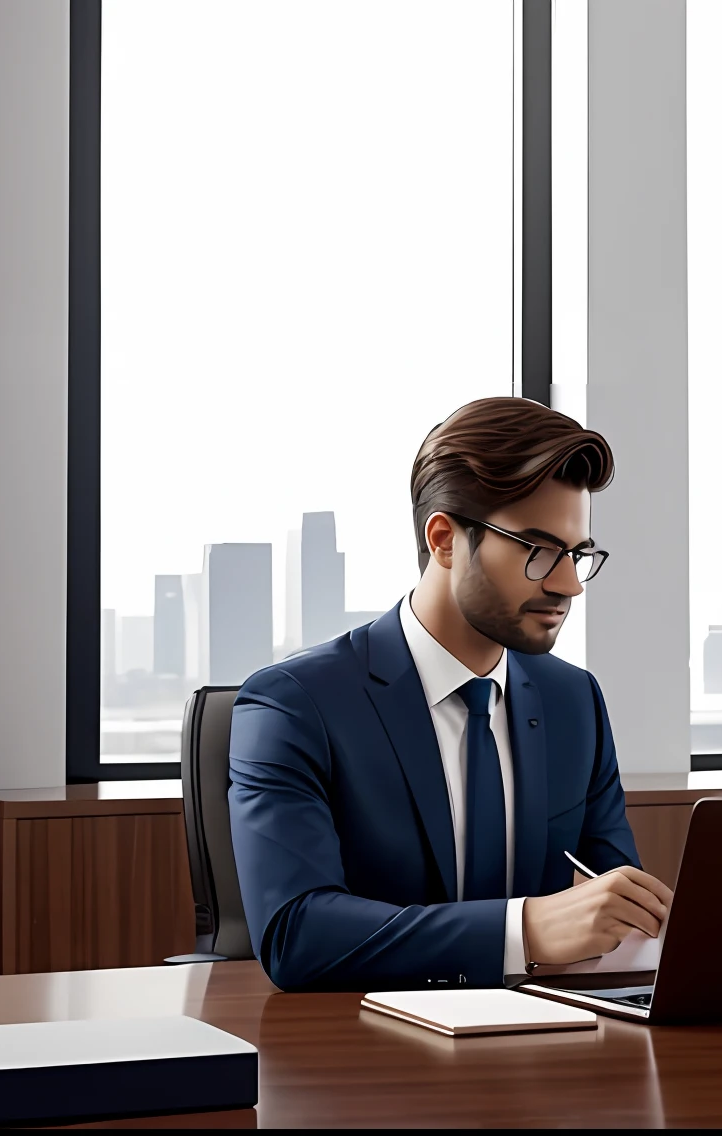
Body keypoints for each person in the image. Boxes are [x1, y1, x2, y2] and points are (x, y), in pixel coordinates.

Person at [228, 397, 674, 991]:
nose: (568, 584)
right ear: (444, 539)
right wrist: (525, 929)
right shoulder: (295, 705)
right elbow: (296, 935)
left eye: (577, 554)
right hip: (367, 1056)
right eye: (538, 552)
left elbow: (612, 899)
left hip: (551, 1047)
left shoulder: (575, 702)